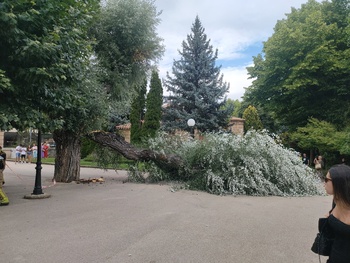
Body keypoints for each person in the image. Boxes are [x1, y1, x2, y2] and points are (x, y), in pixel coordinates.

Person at [321, 164, 350, 262]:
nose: (323, 183)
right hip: (333, 257)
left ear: (339, 183)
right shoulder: (337, 200)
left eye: (326, 180)